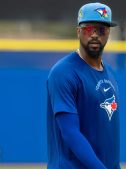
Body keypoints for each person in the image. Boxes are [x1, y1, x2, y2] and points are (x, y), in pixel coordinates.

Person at [47, 2, 120, 169]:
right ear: (78, 31)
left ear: (108, 33)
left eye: (101, 29)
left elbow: (109, 135)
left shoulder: (110, 72)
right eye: (88, 29)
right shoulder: (64, 72)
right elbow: (70, 133)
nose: (94, 34)